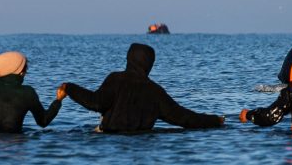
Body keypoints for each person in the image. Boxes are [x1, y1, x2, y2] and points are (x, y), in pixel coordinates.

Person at [64, 43, 224, 132]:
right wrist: (215, 120)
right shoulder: (156, 92)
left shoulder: (115, 79)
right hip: (144, 139)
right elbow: (184, 118)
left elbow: (96, 103)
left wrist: (69, 88)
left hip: (109, 141)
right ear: (150, 64)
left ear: (128, 59)